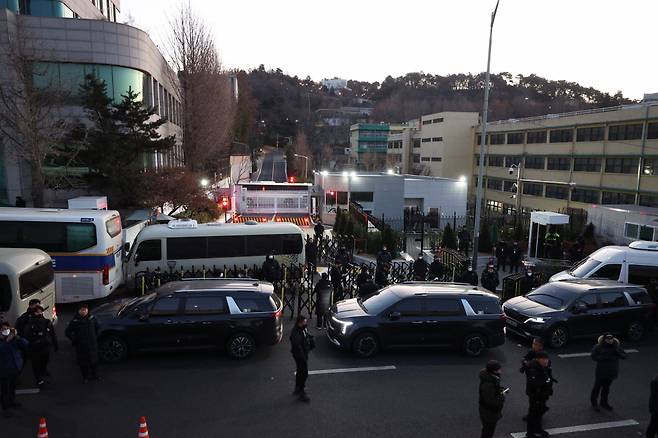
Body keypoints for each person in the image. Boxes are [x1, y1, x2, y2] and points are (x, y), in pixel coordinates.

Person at [590, 333, 627, 411]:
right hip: (601, 371)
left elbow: (624, 356)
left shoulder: (616, 346)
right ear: (604, 339)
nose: (610, 340)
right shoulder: (598, 347)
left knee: (606, 388)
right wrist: (604, 358)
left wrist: (618, 353)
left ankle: (604, 403)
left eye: (611, 338)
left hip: (611, 372)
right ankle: (594, 403)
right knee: (597, 387)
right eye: (608, 338)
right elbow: (593, 356)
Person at [65, 304, 100, 383]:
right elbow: (68, 332)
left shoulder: (92, 318)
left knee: (94, 361)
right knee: (83, 363)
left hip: (92, 345)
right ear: (79, 311)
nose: (84, 311)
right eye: (82, 310)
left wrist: (94, 337)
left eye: (85, 309)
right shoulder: (75, 321)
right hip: (81, 345)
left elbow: (97, 327)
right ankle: (85, 377)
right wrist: (75, 339)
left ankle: (94, 375)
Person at [24, 306, 58, 387]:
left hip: (45, 347)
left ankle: (42, 375)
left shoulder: (47, 322)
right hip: (35, 348)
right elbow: (27, 336)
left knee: (44, 362)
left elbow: (52, 334)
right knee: (36, 364)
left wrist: (55, 344)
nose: (39, 313)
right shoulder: (30, 323)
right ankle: (39, 380)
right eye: (37, 312)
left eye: (40, 312)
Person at [0, 322, 27, 418]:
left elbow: (25, 344)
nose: (5, 331)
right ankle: (5, 408)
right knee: (4, 390)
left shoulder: (14, 340)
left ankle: (12, 401)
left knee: (12, 387)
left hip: (14, 368)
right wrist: (6, 341)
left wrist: (17, 336)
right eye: (3, 329)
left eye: (7, 328)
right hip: (3, 370)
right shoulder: (3, 342)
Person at [525, 351, 553, 438]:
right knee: (533, 415)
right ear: (538, 360)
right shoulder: (534, 370)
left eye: (547, 360)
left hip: (542, 396)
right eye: (543, 360)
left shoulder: (543, 367)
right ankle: (530, 433)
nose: (546, 361)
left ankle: (537, 428)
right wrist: (546, 382)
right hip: (536, 396)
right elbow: (535, 383)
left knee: (539, 413)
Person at [479, 360, 506, 438]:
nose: (501, 371)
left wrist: (500, 390)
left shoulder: (491, 378)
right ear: (494, 371)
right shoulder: (488, 385)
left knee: (487, 430)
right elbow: (492, 401)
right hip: (489, 413)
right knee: (488, 431)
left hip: (487, 411)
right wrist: (502, 395)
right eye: (499, 369)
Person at [290, 315, 314, 402]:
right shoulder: (295, 334)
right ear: (300, 323)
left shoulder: (302, 329)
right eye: (304, 322)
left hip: (303, 354)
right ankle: (301, 391)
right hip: (300, 356)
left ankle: (297, 388)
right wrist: (303, 357)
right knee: (303, 373)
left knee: (300, 371)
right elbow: (297, 347)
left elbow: (305, 336)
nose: (306, 323)